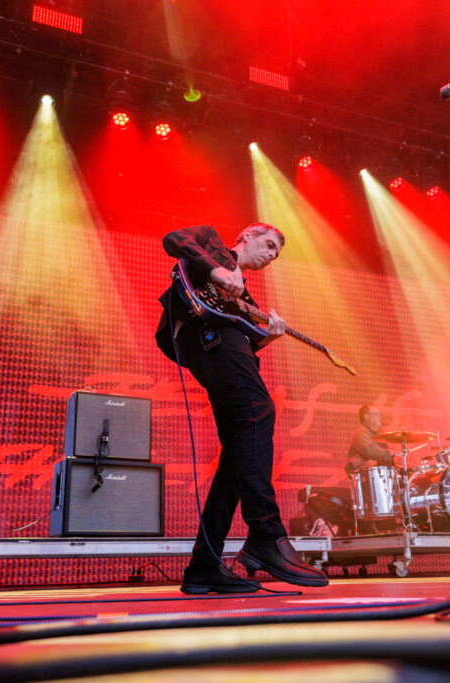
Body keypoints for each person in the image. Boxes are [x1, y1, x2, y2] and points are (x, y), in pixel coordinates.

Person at [155, 222, 329, 594]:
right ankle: (266, 534)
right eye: (269, 245)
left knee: (236, 456)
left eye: (276, 254)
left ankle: (204, 566)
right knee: (259, 410)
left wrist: (266, 337)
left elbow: (243, 351)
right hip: (205, 336)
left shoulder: (245, 299)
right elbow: (175, 239)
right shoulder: (212, 244)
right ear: (247, 236)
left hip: (219, 344)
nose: (271, 256)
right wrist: (217, 270)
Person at [346, 404, 393, 477]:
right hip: (366, 476)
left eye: (380, 415)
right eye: (377, 414)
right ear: (366, 417)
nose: (380, 417)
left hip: (378, 475)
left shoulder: (377, 434)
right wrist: (390, 453)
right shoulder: (361, 432)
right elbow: (370, 451)